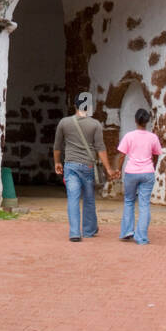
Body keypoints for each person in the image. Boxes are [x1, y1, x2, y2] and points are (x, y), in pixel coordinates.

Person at [53, 94, 118, 242]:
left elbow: (57, 146)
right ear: (88, 108)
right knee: (89, 199)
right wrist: (108, 169)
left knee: (73, 198)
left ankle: (75, 232)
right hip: (88, 165)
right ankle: (88, 230)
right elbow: (100, 148)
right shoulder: (95, 124)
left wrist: (57, 162)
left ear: (75, 106)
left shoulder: (64, 122)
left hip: (70, 165)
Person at [115, 108, 162, 245]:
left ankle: (127, 231)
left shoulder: (129, 136)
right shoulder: (153, 137)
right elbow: (157, 154)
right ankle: (141, 237)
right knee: (144, 204)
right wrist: (152, 166)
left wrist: (118, 169)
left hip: (131, 172)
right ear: (147, 121)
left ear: (135, 120)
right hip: (147, 172)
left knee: (129, 201)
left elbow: (122, 155)